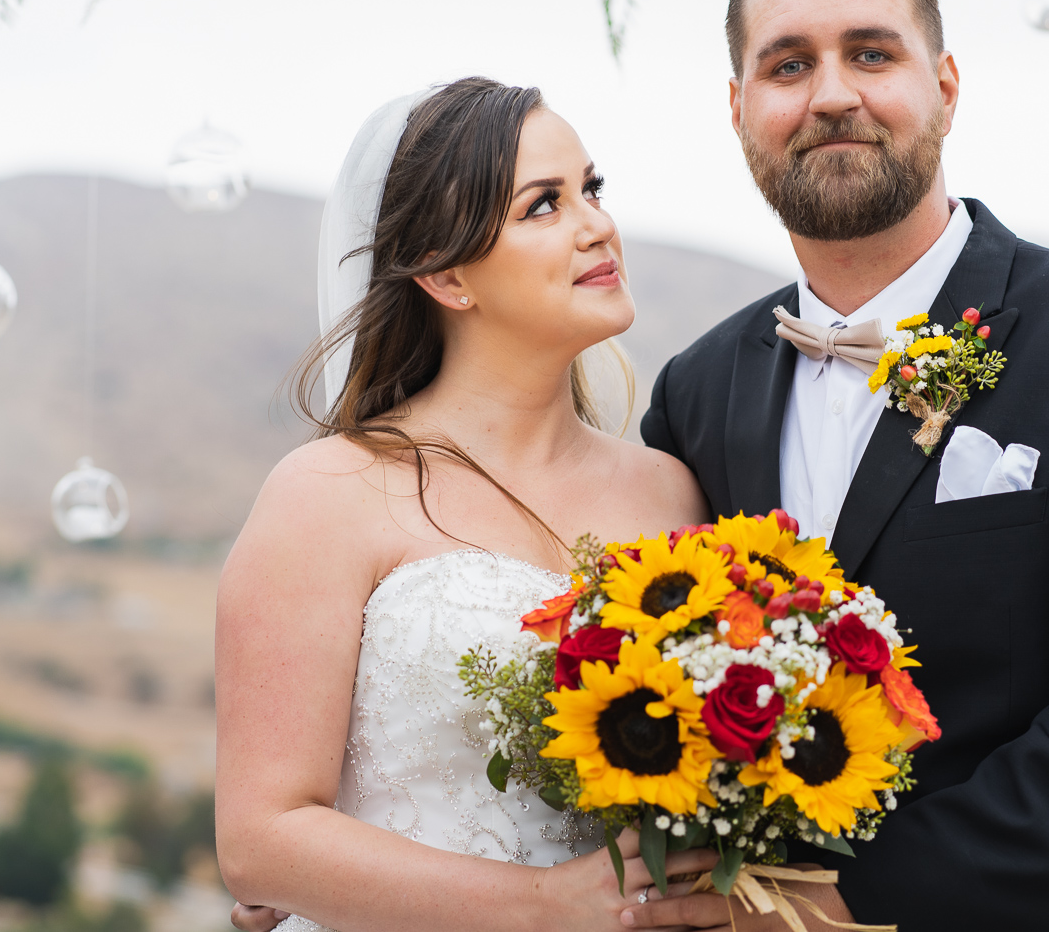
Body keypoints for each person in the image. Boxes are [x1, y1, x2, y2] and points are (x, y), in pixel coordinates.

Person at [622, 0, 1049, 932]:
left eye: (870, 53)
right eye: (787, 66)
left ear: (945, 87)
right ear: (739, 107)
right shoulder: (698, 390)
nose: (831, 95)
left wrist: (841, 903)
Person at [216, 78, 719, 932]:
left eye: (591, 189)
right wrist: (545, 907)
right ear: (448, 274)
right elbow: (262, 839)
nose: (597, 224)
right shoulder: (329, 493)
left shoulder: (669, 491)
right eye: (543, 205)